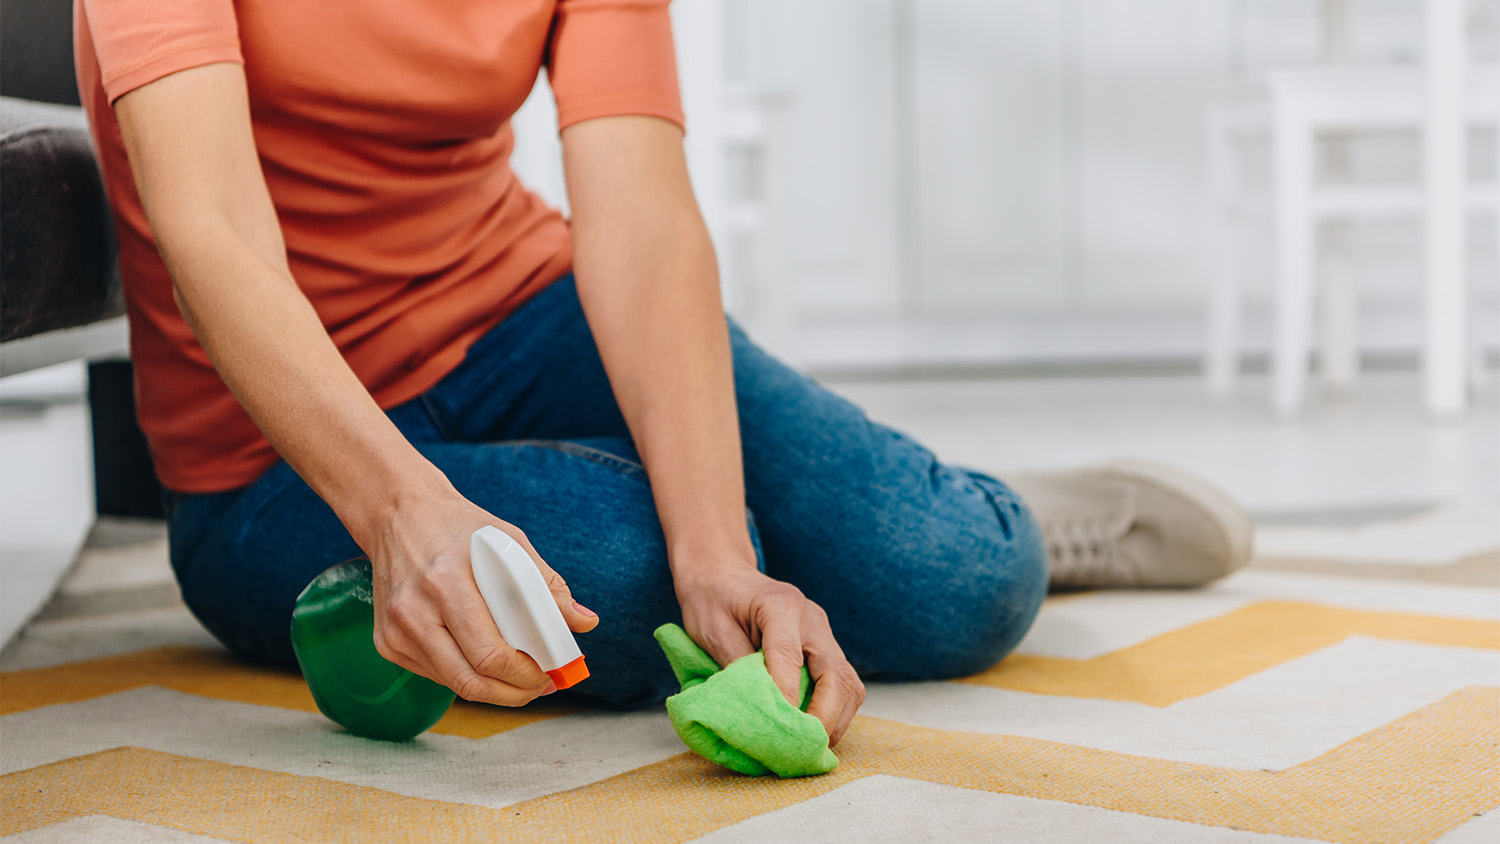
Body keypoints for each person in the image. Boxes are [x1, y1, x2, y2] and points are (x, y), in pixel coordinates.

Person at [74, 0, 1252, 749]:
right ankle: (812, 523)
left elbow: (638, 217)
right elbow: (211, 231)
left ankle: (930, 509)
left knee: (956, 574)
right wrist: (403, 514)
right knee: (628, 583)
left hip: (516, 313)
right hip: (271, 457)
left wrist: (722, 549)